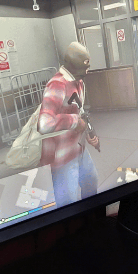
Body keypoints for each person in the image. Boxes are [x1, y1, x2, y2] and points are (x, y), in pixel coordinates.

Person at [38, 42, 100, 207]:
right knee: (68, 202)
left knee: (91, 181)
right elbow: (44, 123)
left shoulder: (77, 81)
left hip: (78, 147)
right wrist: (75, 122)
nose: (87, 71)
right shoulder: (57, 84)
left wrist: (88, 131)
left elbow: (79, 112)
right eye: (85, 67)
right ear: (74, 66)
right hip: (62, 155)